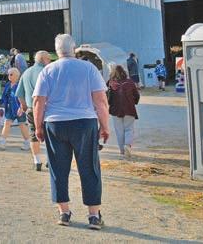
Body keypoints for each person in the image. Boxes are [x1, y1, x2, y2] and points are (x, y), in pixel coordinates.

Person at [33, 34, 109, 230]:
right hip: (84, 122)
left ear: (56, 50)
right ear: (73, 49)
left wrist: (38, 127)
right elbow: (101, 100)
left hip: (55, 124)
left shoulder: (48, 70)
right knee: (89, 167)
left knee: (58, 169)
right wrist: (105, 126)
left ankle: (64, 212)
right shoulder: (89, 68)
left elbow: (38, 101)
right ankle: (94, 215)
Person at [17, 50, 51, 171]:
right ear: (44, 60)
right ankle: (49, 159)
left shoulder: (26, 72)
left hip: (31, 108)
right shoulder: (47, 71)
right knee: (50, 134)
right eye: (49, 59)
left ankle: (37, 161)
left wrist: (24, 106)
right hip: (47, 108)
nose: (50, 61)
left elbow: (19, 94)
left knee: (33, 134)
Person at [107, 64, 140, 159]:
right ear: (124, 72)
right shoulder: (130, 82)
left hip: (115, 110)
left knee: (119, 131)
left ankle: (122, 150)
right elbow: (136, 95)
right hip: (129, 108)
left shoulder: (110, 82)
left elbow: (106, 96)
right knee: (129, 128)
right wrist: (134, 102)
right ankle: (127, 145)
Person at [0, 67, 30, 150]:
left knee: (22, 125)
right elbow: (4, 97)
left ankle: (27, 142)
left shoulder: (21, 85)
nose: (9, 76)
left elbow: (25, 97)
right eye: (8, 74)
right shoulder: (7, 84)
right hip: (10, 108)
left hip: (19, 109)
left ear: (17, 76)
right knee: (7, 123)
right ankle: (2, 142)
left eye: (11, 74)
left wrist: (22, 107)